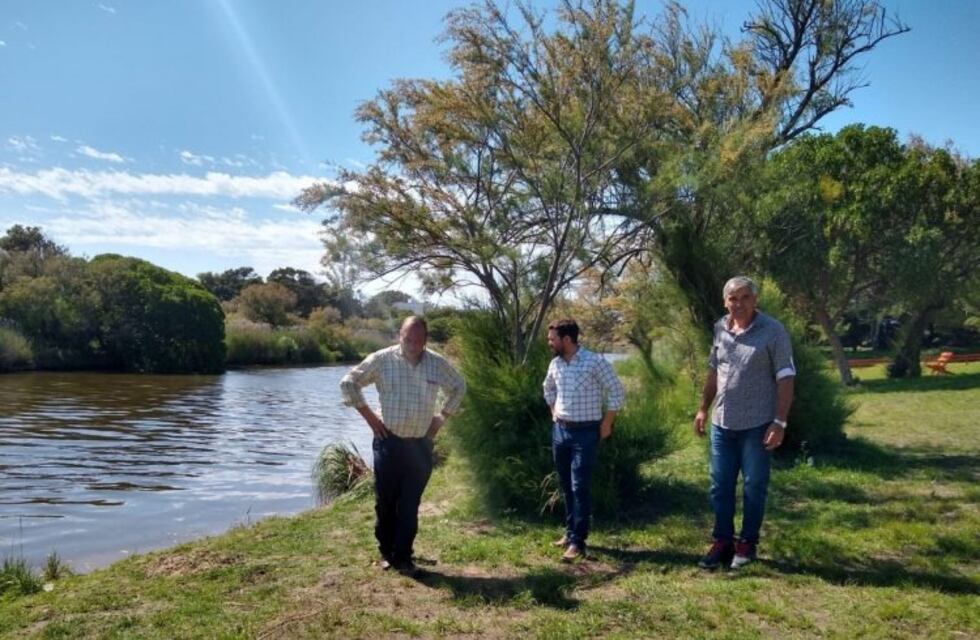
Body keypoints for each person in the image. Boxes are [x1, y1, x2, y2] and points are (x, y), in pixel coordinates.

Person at [340, 316, 465, 575]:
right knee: (386, 502)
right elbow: (348, 382)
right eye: (408, 339)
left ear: (425, 340)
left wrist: (440, 419)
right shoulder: (383, 360)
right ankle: (386, 552)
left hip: (420, 445)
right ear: (400, 335)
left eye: (418, 340)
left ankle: (404, 556)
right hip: (389, 441)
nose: (413, 345)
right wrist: (371, 418)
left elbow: (459, 386)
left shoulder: (435, 363)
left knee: (410, 503)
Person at [693, 276, 795, 570]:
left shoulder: (773, 331)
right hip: (723, 423)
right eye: (732, 299)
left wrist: (780, 421)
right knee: (720, 486)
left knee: (753, 485)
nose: (738, 304)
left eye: (744, 297)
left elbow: (786, 376)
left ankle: (747, 544)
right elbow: (714, 371)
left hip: (758, 424)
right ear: (725, 301)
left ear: (755, 300)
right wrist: (702, 409)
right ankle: (722, 542)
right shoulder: (719, 329)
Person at [543, 318, 625, 562]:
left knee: (580, 486)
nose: (550, 343)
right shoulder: (555, 364)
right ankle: (570, 534)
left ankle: (578, 541)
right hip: (561, 431)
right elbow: (548, 389)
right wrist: (553, 411)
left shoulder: (594, 362)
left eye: (552, 339)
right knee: (566, 484)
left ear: (567, 339)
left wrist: (607, 423)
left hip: (586, 432)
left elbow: (617, 391)